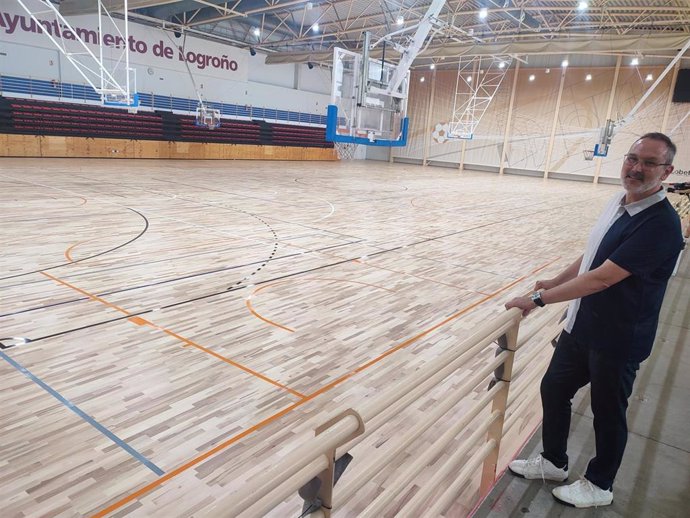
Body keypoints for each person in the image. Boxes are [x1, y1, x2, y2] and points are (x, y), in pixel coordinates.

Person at [504, 132, 684, 508]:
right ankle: (553, 461)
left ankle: (600, 485)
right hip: (584, 327)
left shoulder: (660, 225)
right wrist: (556, 281)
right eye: (632, 158)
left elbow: (603, 278)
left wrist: (539, 299)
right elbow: (594, 256)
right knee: (554, 389)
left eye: (649, 163)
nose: (636, 168)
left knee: (607, 413)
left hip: (619, 338)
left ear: (666, 171)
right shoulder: (620, 202)